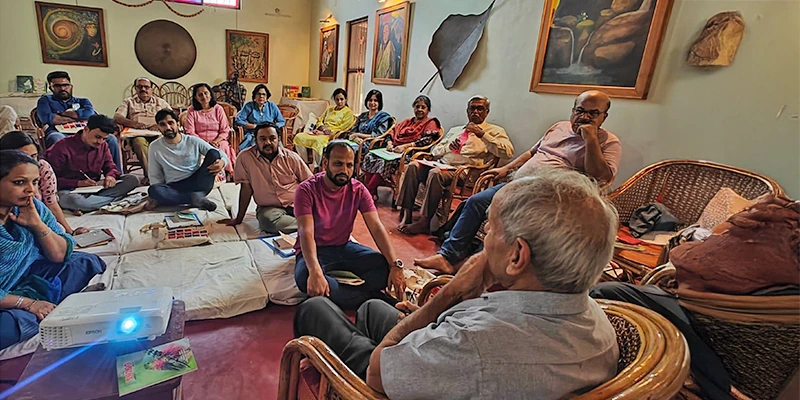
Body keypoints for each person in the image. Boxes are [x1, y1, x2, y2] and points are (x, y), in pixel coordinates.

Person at [294, 168, 620, 399]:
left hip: (383, 378)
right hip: (457, 367)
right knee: (371, 308)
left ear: (517, 256)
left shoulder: (472, 345)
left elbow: (379, 374)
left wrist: (449, 294)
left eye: (490, 231)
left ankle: (338, 364)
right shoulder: (599, 321)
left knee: (316, 308)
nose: (484, 242)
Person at [416, 90, 622, 274]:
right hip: (517, 184)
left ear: (604, 116)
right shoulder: (558, 127)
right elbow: (531, 153)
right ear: (573, 110)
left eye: (593, 113)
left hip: (550, 197)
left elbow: (602, 178)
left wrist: (591, 140)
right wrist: (505, 169)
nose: (584, 117)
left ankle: (480, 265)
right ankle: (448, 256)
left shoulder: (608, 141)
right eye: (580, 111)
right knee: (475, 201)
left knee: (503, 217)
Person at [0, 150, 106, 350]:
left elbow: (60, 254)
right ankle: (42, 309)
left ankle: (41, 309)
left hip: (26, 278)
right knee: (5, 329)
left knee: (84, 262)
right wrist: (28, 304)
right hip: (8, 296)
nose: (30, 190)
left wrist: (38, 226)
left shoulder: (33, 207)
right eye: (19, 183)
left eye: (35, 182)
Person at [293, 141, 405, 310]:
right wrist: (315, 271)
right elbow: (306, 233)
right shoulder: (306, 190)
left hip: (343, 248)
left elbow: (376, 227)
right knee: (305, 279)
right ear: (325, 163)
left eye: (349, 165)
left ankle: (350, 296)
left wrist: (395, 265)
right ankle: (372, 297)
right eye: (338, 164)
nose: (344, 171)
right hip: (314, 250)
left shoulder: (358, 190)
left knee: (383, 268)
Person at [396, 95, 514, 235]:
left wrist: (482, 135)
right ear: (467, 111)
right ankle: (407, 213)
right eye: (472, 108)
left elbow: (508, 152)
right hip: (441, 164)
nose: (475, 112)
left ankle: (424, 221)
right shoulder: (456, 130)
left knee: (435, 173)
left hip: (463, 173)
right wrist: (448, 148)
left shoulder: (495, 131)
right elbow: (435, 151)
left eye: (480, 109)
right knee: (413, 166)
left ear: (486, 112)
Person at [219, 123, 311, 233]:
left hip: (298, 203)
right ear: (256, 140)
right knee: (268, 222)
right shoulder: (245, 158)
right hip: (270, 209)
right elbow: (246, 190)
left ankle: (308, 223)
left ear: (279, 139)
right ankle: (311, 225)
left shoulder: (291, 157)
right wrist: (239, 218)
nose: (267, 143)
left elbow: (310, 184)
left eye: (272, 138)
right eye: (262, 139)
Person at [0, 132, 88, 236]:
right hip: (16, 222)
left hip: (38, 218)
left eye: (34, 156)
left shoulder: (42, 168)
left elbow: (51, 203)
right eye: (19, 182)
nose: (29, 162)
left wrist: (70, 232)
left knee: (59, 232)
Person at [47, 115, 139, 213]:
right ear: (86, 129)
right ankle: (117, 200)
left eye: (104, 138)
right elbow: (50, 180)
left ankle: (92, 204)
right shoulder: (62, 147)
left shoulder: (103, 145)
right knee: (72, 200)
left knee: (132, 180)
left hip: (96, 188)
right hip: (70, 191)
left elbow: (111, 166)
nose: (100, 142)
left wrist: (110, 176)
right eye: (97, 137)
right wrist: (78, 183)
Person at [361, 95, 441, 200]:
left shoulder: (430, 123)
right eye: (417, 107)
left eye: (423, 107)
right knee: (370, 156)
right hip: (394, 150)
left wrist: (406, 146)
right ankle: (372, 191)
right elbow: (392, 132)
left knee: (385, 162)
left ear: (428, 110)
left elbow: (427, 140)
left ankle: (368, 191)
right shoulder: (407, 122)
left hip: (410, 154)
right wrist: (389, 143)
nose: (420, 110)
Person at [36, 71, 121, 168]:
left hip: (84, 132)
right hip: (58, 132)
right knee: (56, 138)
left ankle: (116, 173)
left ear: (71, 86)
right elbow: (48, 119)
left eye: (65, 85)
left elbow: (89, 114)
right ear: (51, 87)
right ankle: (58, 176)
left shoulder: (83, 101)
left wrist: (62, 114)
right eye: (57, 86)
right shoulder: (45, 101)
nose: (63, 88)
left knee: (111, 139)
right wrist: (78, 116)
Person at [147, 109, 228, 211]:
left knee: (214, 153)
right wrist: (158, 195)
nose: (168, 127)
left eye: (171, 123)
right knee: (153, 190)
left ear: (177, 124)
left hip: (198, 182)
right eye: (162, 125)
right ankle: (194, 199)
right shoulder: (154, 147)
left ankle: (194, 197)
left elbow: (221, 154)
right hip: (174, 187)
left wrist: (222, 163)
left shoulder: (192, 141)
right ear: (158, 128)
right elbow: (155, 175)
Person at [113, 77, 172, 181]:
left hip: (157, 133)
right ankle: (151, 176)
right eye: (140, 87)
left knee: (164, 141)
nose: (143, 89)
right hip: (137, 134)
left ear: (151, 89)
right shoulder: (129, 102)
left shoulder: (160, 102)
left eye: (146, 87)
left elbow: (172, 116)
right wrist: (133, 123)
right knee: (139, 142)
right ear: (136, 89)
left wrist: (159, 125)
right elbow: (117, 117)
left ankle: (167, 173)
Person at [293, 88, 355, 169]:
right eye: (337, 99)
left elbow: (343, 128)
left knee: (318, 142)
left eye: (341, 99)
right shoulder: (330, 109)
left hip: (332, 135)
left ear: (346, 100)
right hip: (321, 131)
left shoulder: (348, 112)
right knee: (299, 137)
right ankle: (305, 163)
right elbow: (320, 120)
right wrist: (321, 128)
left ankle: (317, 167)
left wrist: (325, 132)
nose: (339, 102)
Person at [184, 83, 236, 174]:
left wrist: (216, 141)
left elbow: (225, 129)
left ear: (210, 94)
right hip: (199, 141)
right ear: (196, 97)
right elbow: (190, 131)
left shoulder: (218, 109)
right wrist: (205, 143)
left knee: (224, 146)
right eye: (200, 94)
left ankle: (225, 174)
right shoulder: (191, 111)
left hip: (218, 141)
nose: (204, 96)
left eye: (206, 93)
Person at [235, 84, 285, 151]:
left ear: (267, 97)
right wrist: (252, 126)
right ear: (255, 96)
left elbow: (281, 121)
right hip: (253, 133)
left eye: (264, 94)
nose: (261, 96)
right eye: (259, 94)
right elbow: (238, 120)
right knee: (253, 148)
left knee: (279, 150)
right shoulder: (249, 106)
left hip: (269, 133)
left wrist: (273, 127)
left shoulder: (272, 106)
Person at [346, 89, 393, 155]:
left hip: (370, 145)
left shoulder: (383, 117)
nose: (372, 103)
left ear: (379, 103)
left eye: (375, 100)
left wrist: (358, 135)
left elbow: (377, 135)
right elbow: (352, 132)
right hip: (356, 141)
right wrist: (356, 138)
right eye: (370, 100)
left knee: (346, 150)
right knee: (336, 145)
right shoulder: (362, 116)